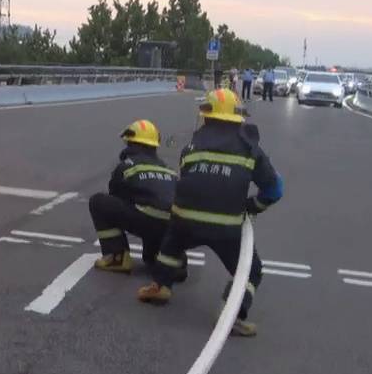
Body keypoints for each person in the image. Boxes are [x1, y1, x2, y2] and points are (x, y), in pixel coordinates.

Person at [137, 88, 283, 337]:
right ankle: (232, 312)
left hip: (184, 219)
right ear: (238, 117)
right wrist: (252, 207)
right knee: (251, 270)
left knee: (172, 244)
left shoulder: (191, 146)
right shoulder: (250, 149)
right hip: (225, 226)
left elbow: (191, 181)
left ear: (207, 116)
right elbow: (274, 189)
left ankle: (160, 284)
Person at [88, 120, 180, 279]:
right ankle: (174, 262)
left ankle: (117, 257)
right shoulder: (168, 169)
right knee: (151, 259)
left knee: (99, 202)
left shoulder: (127, 166)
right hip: (171, 227)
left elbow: (115, 195)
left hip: (145, 220)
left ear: (130, 143)